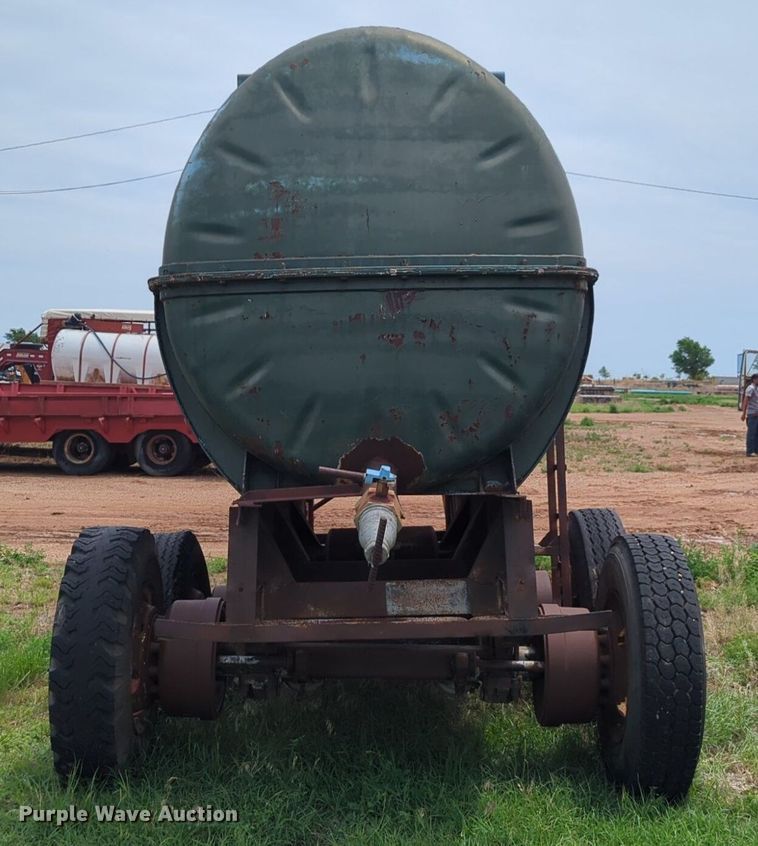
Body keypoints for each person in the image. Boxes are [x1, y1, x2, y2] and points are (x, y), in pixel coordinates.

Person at [741, 372, 758, 456]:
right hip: (752, 414)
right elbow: (746, 400)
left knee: (756, 433)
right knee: (752, 433)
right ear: (754, 379)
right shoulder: (750, 388)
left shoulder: (756, 388)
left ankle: (756, 450)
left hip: (756, 414)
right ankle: (750, 451)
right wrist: (744, 413)